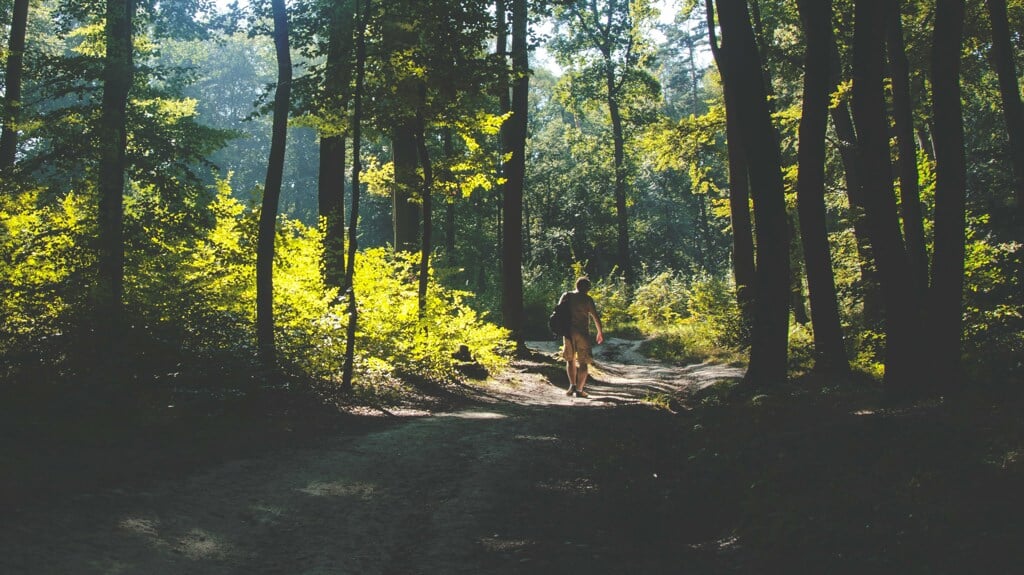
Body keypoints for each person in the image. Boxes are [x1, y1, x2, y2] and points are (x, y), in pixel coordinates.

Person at [559, 277, 604, 398]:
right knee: (583, 362)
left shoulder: (566, 295)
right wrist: (600, 332)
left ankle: (571, 386)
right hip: (582, 333)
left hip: (568, 332)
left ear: (576, 285)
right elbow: (595, 316)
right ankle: (579, 390)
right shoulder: (588, 299)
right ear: (588, 288)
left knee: (570, 359)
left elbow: (558, 311)